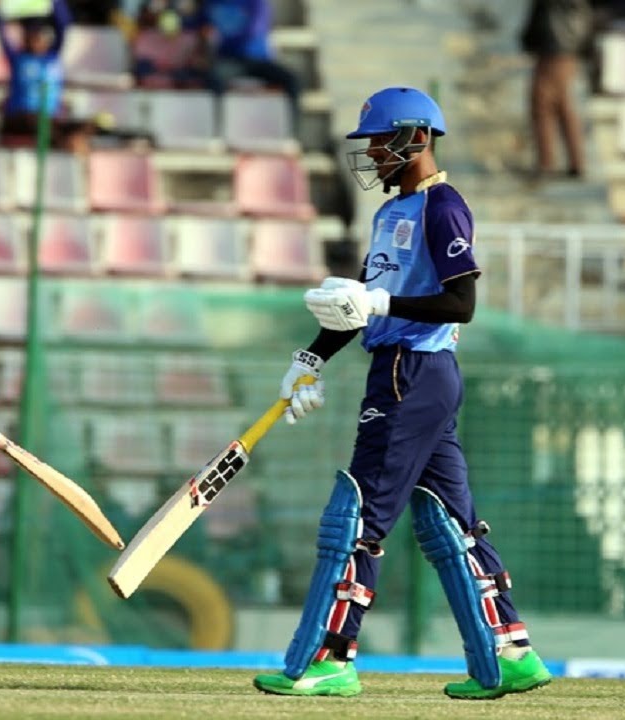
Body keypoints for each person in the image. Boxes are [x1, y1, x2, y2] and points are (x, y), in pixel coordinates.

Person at [251, 87, 553, 700]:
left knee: (357, 516)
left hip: (411, 373)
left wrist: (380, 303)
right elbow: (354, 304)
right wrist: (310, 358)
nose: (371, 155)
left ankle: (329, 658)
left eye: (380, 142)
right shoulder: (390, 213)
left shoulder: (442, 206)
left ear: (416, 138)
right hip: (406, 372)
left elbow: (460, 303)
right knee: (451, 524)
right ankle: (509, 653)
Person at [0, 0, 96, 152]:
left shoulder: (53, 58)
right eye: (32, 36)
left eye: (40, 35)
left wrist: (55, 3)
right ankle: (66, 143)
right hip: (21, 118)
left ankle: (67, 141)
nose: (37, 40)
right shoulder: (17, 59)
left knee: (88, 125)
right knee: (40, 124)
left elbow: (63, 24)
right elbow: (1, 31)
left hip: (49, 118)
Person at [201, 0, 300, 130]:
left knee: (292, 79)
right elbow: (197, 22)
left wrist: (221, 41)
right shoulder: (211, 3)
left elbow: (253, 31)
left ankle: (291, 132)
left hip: (259, 61)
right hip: (231, 61)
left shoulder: (256, 2)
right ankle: (218, 130)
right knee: (214, 77)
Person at [520, 0, 591, 179]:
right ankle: (575, 162)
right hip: (565, 46)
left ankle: (547, 163)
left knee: (543, 105)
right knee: (563, 105)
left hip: (555, 47)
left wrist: (530, 40)